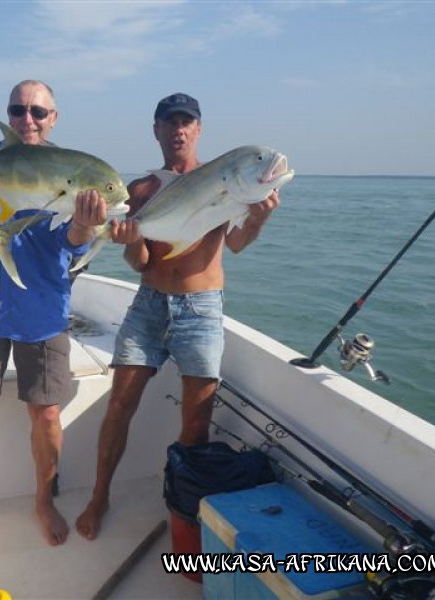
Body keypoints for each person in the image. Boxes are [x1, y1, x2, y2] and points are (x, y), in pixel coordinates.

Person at [75, 93, 281, 540]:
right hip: (149, 304)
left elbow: (237, 244)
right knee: (119, 406)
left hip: (202, 310)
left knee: (196, 421)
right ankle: (99, 494)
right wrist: (130, 239)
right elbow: (142, 263)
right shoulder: (141, 190)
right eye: (170, 122)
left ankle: (184, 507)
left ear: (199, 129)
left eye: (187, 122)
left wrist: (260, 220)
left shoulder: (226, 180)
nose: (179, 130)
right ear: (157, 130)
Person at [0, 80, 110, 547]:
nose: (27, 119)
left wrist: (83, 223)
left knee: (47, 413)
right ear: (8, 115)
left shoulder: (69, 170)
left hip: (42, 309)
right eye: (18, 110)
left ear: (54, 118)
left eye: (38, 111)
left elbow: (69, 243)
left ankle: (43, 497)